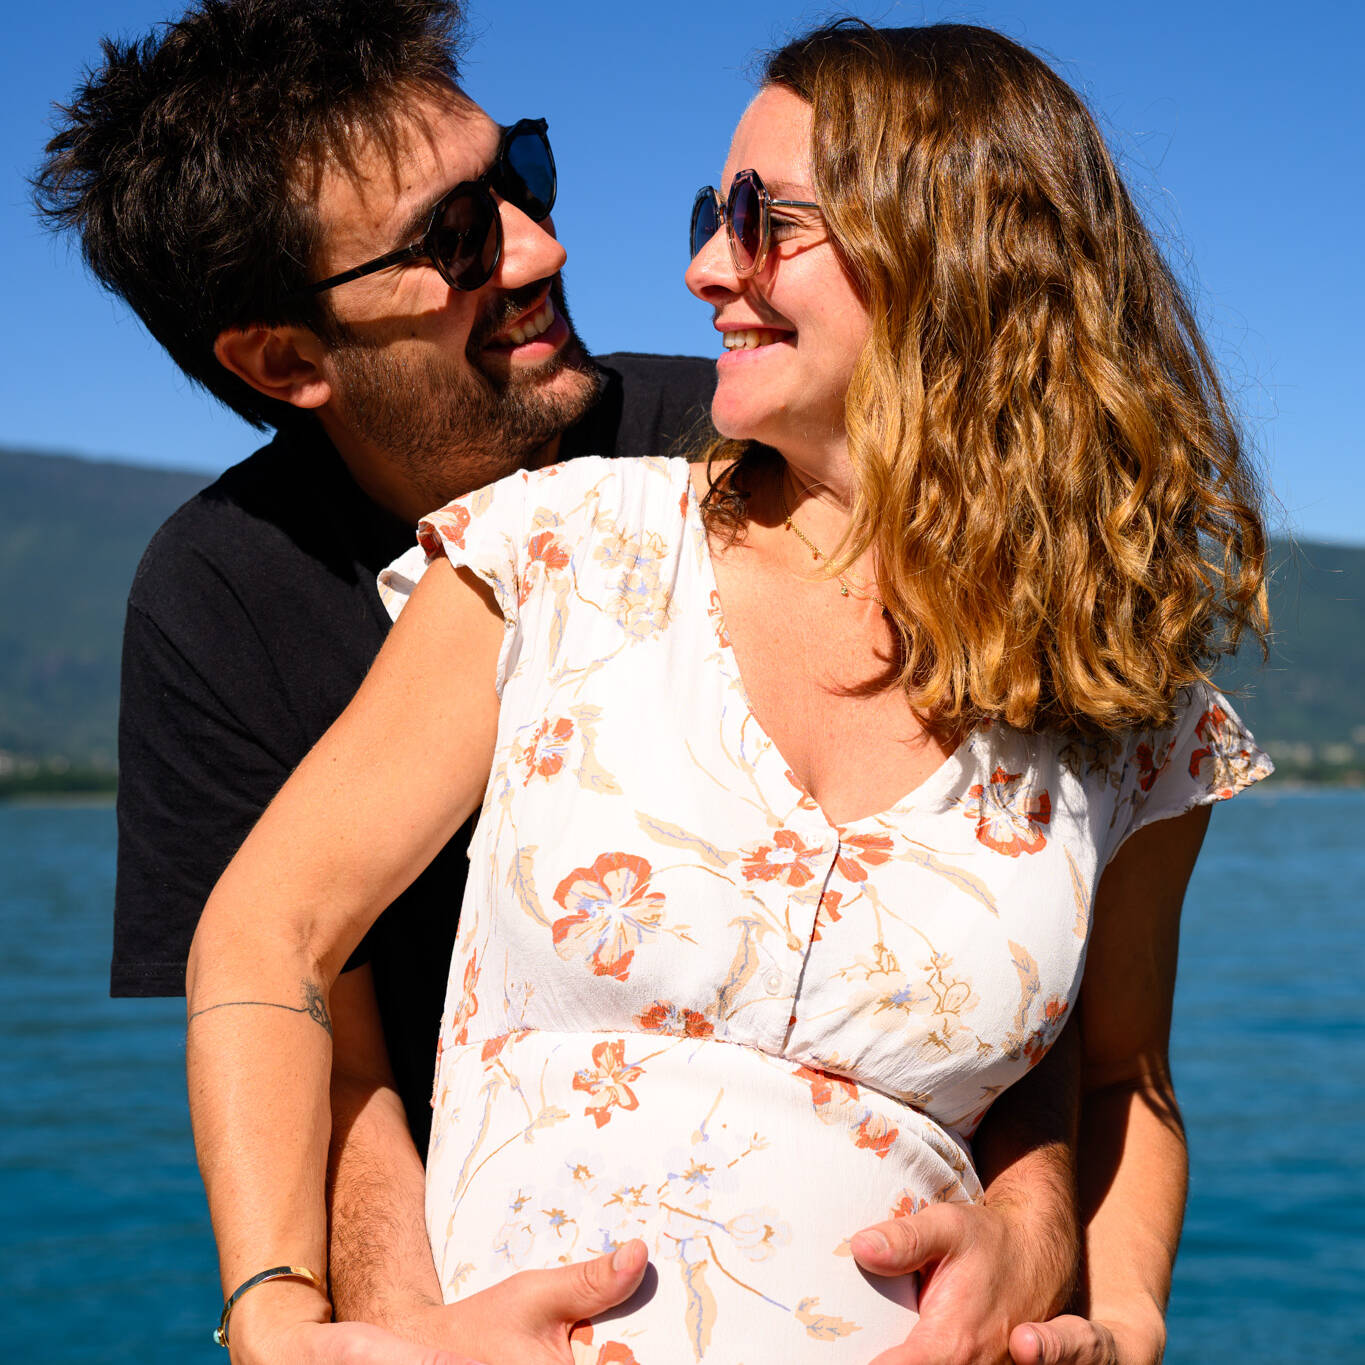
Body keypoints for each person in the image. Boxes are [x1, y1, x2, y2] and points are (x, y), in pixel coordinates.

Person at [182, 15, 1271, 1365]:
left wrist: (1115, 1322)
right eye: (715, 213)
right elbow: (268, 930)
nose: (704, 267)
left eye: (761, 218)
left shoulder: (1128, 702)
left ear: (957, 248)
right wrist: (284, 1326)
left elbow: (1119, 1078)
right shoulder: (556, 551)